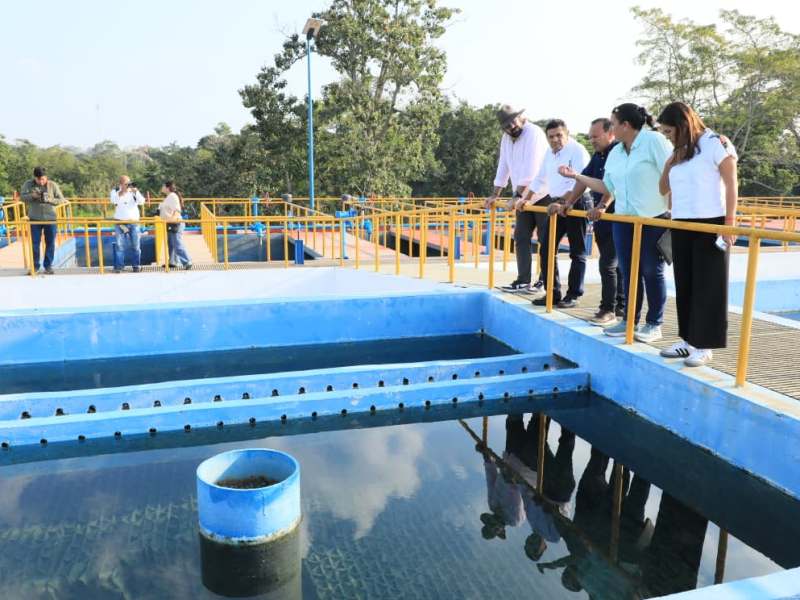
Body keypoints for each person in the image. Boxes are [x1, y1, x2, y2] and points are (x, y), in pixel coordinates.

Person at [560, 104, 673, 343]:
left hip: (654, 218)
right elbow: (607, 186)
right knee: (628, 272)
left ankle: (654, 323)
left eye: (613, 123)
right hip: (623, 220)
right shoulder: (617, 152)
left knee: (652, 271)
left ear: (625, 125)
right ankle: (629, 320)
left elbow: (673, 172)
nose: (611, 128)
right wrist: (577, 177)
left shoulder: (653, 141)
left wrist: (674, 209)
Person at [657, 102, 738, 367]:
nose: (668, 136)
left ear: (683, 125)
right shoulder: (681, 150)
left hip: (710, 223)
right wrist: (672, 156)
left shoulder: (716, 143)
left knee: (709, 286)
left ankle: (705, 345)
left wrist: (728, 222)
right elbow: (663, 188)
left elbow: (731, 182)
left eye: (670, 131)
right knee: (686, 284)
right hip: (682, 223)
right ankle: (688, 339)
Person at [558, 119, 625, 324]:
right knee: (614, 264)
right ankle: (620, 307)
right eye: (590, 137)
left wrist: (603, 204)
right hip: (603, 219)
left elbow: (613, 184)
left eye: (595, 136)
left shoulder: (618, 152)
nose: (592, 140)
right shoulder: (598, 155)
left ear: (610, 133)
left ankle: (609, 309)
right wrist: (568, 203)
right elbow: (583, 179)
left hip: (618, 215)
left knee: (609, 265)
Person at [522, 120, 591, 307]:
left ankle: (573, 295)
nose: (555, 140)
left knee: (577, 252)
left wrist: (564, 202)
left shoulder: (577, 150)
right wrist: (525, 198)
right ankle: (552, 293)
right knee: (546, 249)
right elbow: (539, 178)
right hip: (557, 205)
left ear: (567, 133)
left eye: (559, 135)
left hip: (577, 203)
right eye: (551, 136)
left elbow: (581, 182)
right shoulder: (549, 153)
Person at [484, 105, 548, 293]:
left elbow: (531, 169)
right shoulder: (507, 138)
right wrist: (495, 194)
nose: (510, 127)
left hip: (543, 193)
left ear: (521, 117)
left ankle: (545, 280)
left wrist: (518, 195)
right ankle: (523, 280)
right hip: (522, 198)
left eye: (512, 121)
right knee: (521, 237)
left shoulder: (533, 133)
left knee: (546, 240)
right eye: (506, 125)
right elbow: (503, 166)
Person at [20, 166, 67, 274]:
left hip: (50, 219)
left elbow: (62, 200)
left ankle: (48, 266)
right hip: (34, 219)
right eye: (38, 179)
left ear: (46, 177)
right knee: (34, 244)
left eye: (43, 179)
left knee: (50, 243)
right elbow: (22, 198)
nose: (41, 182)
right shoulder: (28, 184)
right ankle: (35, 267)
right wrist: (32, 196)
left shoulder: (53, 185)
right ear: (34, 178)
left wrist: (49, 199)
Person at [110, 176, 146, 273]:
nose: (128, 185)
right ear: (121, 184)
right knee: (119, 245)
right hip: (120, 223)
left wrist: (136, 192)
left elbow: (142, 202)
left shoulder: (133, 192)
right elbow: (113, 201)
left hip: (133, 222)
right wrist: (122, 192)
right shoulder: (115, 191)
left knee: (136, 245)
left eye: (128, 183)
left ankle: (136, 266)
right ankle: (120, 266)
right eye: (126, 183)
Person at [158, 181, 192, 270]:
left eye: (163, 186)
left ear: (167, 187)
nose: (162, 187)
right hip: (170, 223)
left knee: (177, 243)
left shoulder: (172, 196)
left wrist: (173, 220)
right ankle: (173, 262)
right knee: (171, 244)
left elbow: (177, 210)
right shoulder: (168, 197)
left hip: (175, 223)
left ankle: (187, 261)